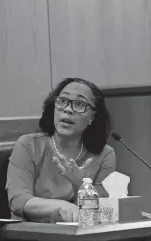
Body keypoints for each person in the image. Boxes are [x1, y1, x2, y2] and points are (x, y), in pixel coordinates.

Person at [6, 77, 116, 223]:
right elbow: (18, 201)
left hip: (80, 238)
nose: (68, 109)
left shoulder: (104, 155)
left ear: (92, 117)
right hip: (31, 236)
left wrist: (80, 184)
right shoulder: (28, 145)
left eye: (79, 104)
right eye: (62, 101)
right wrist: (61, 206)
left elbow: (102, 209)